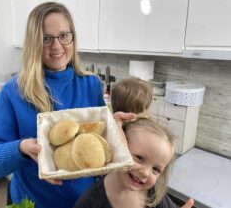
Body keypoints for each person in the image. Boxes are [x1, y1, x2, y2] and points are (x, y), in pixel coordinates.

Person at [0, 2, 109, 208]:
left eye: (63, 35)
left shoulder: (92, 85)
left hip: (86, 202)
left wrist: (124, 129)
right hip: (33, 203)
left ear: (73, 37)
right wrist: (22, 148)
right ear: (34, 42)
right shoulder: (15, 91)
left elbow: (102, 144)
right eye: (46, 38)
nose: (57, 46)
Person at [74, 77, 194, 208]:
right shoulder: (91, 201)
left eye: (156, 169)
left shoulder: (153, 194)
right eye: (140, 158)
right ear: (121, 144)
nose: (145, 173)